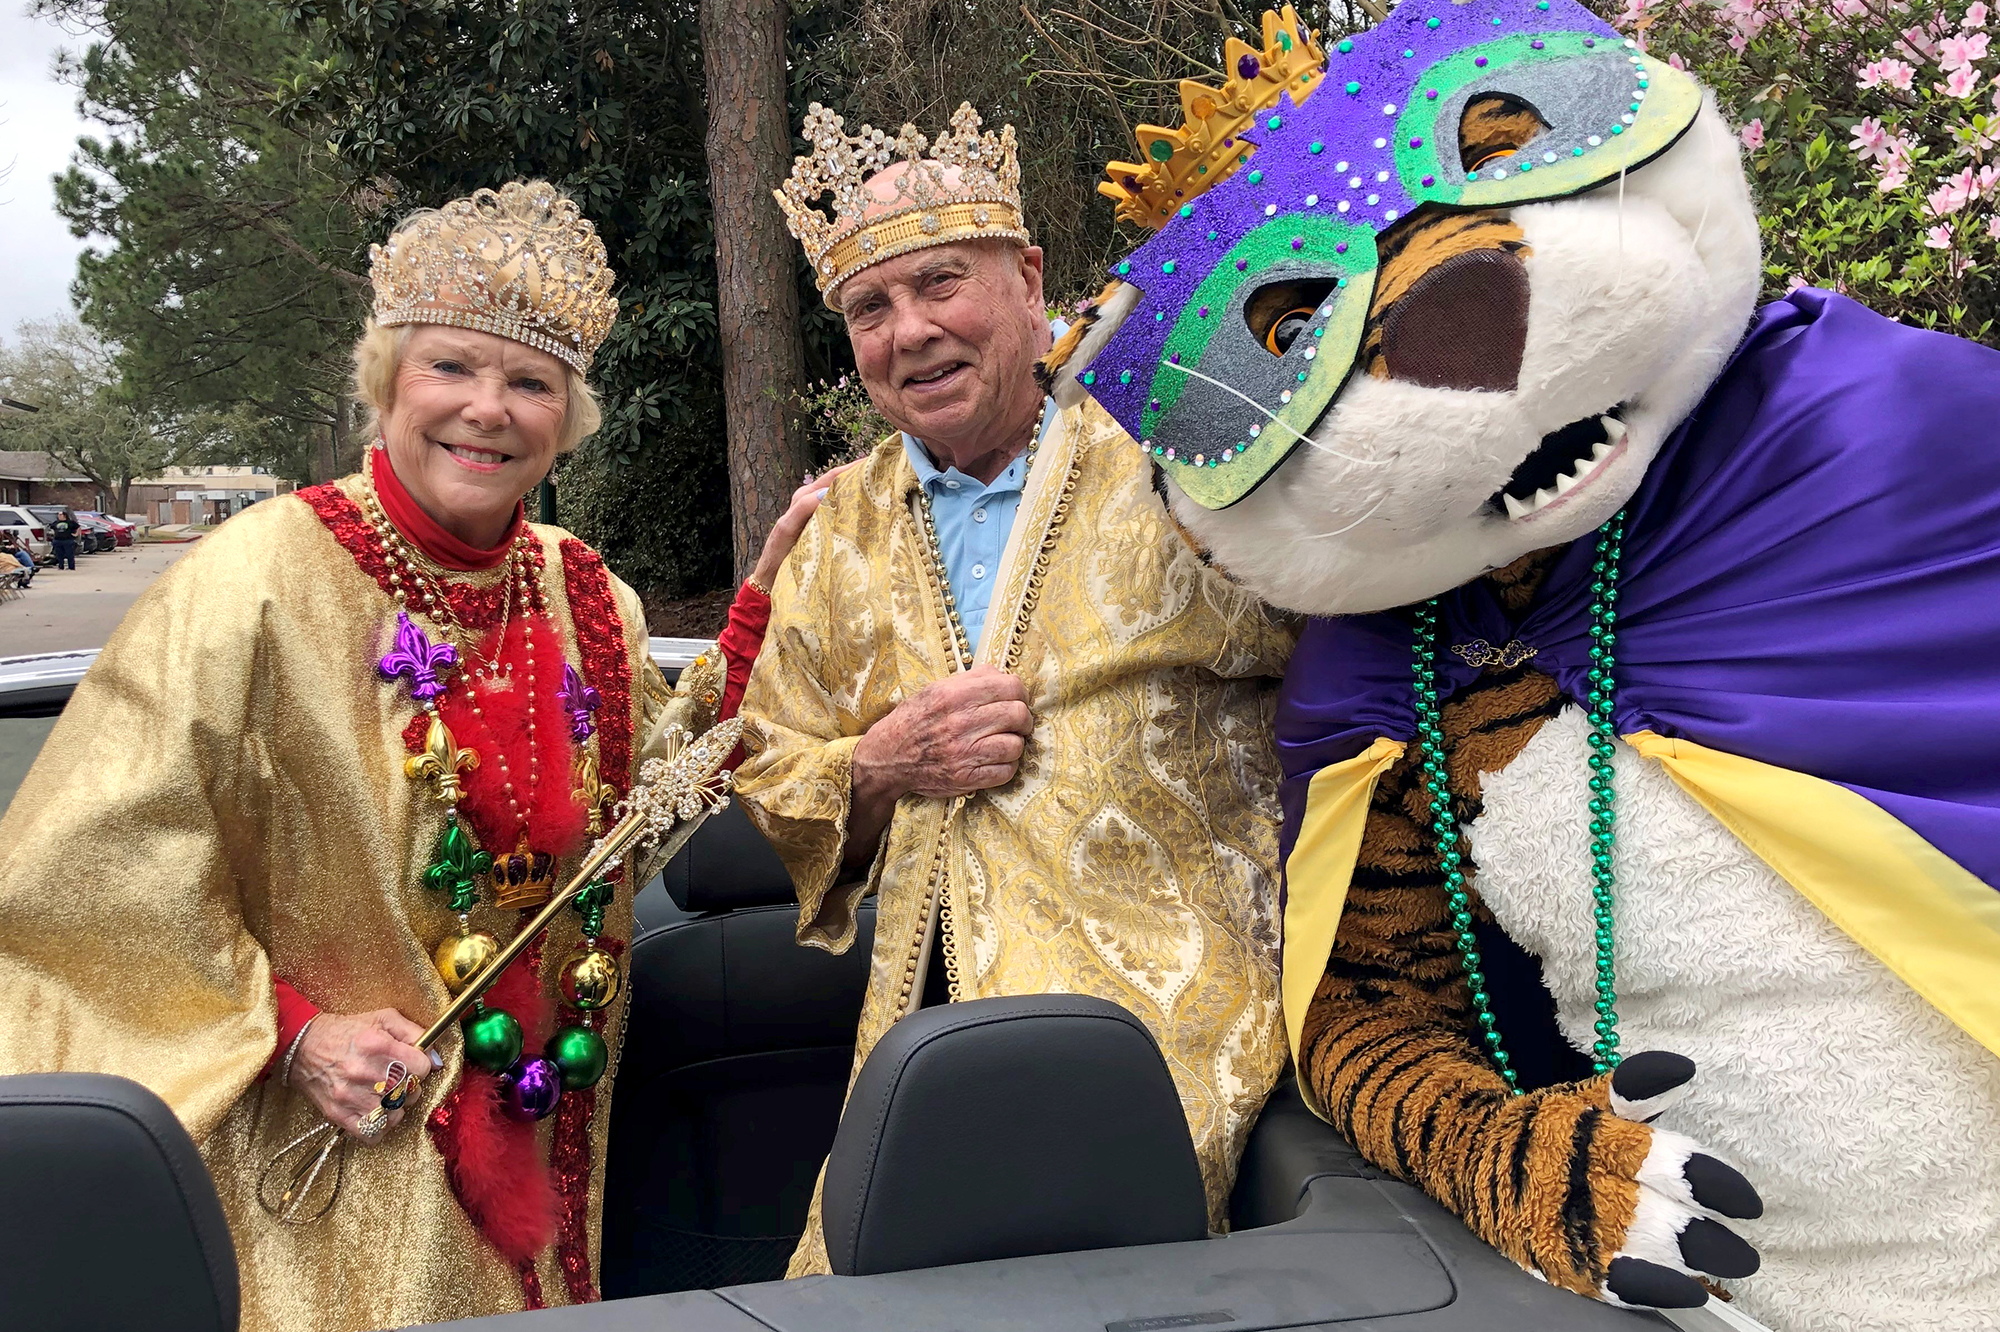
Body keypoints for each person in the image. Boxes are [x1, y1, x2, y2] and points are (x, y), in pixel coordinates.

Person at [0, 181, 814, 1331]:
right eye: (450, 367)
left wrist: (757, 607)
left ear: (565, 417)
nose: (487, 409)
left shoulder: (586, 593)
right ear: (386, 380)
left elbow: (634, 828)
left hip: (543, 1138)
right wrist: (293, 1034)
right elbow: (81, 879)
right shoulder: (252, 585)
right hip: (330, 1162)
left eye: (529, 382)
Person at [740, 103, 1297, 1275]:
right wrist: (879, 764)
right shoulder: (837, 532)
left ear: (1029, 278)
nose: (909, 331)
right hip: (924, 1042)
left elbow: (1346, 658)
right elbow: (770, 761)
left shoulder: (1183, 454)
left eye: (939, 282)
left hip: (1175, 1032)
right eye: (868, 308)